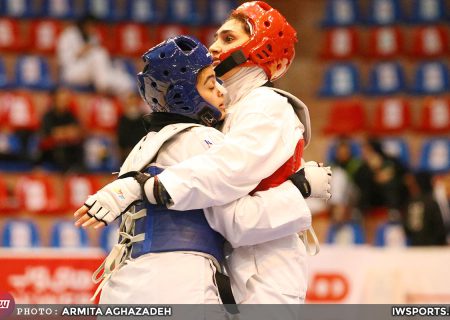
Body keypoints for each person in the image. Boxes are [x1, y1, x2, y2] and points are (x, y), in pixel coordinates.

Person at [74, 36, 320, 306]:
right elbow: (240, 221)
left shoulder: (140, 148)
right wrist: (300, 189)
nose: (222, 92)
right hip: (177, 283)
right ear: (186, 96)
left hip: (121, 287)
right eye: (210, 83)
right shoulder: (201, 140)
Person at [57, 15, 134, 95]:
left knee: (126, 81)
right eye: (91, 25)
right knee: (98, 54)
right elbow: (64, 61)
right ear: (85, 25)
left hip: (91, 73)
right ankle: (103, 87)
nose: (93, 28)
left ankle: (106, 85)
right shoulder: (69, 35)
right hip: (71, 71)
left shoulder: (93, 36)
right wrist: (82, 51)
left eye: (94, 25)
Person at [38, 86, 84, 172]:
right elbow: (51, 134)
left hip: (68, 146)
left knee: (79, 147)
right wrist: (66, 132)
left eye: (66, 100)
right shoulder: (48, 116)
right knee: (60, 150)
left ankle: (80, 172)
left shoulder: (70, 115)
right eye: (61, 100)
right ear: (55, 100)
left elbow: (76, 131)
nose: (64, 103)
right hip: (51, 150)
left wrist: (62, 132)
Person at [117, 92, 147, 163]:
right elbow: (121, 137)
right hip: (126, 151)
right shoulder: (123, 119)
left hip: (140, 151)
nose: (132, 102)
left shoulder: (143, 118)